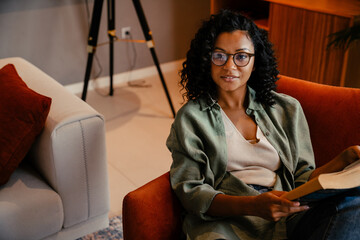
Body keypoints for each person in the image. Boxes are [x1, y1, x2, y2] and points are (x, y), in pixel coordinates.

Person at [166, 10, 360, 240]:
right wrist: (253, 206)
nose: (229, 66)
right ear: (206, 60)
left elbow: (301, 178)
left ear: (255, 61)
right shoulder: (191, 118)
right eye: (219, 55)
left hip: (288, 211)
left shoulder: (286, 109)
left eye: (241, 56)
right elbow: (191, 192)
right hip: (228, 219)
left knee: (354, 205)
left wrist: (343, 160)